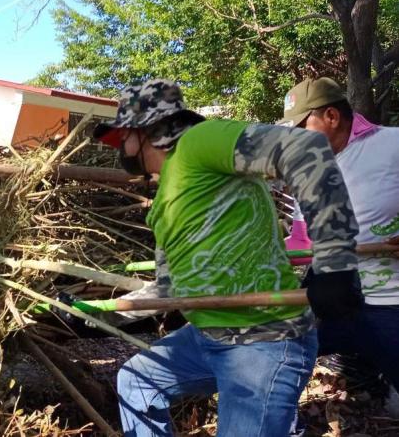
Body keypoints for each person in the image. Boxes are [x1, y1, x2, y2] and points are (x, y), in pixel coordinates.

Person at [93, 79, 362, 436]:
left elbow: (301, 148)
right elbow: (171, 287)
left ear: (142, 131)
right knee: (137, 381)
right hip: (208, 337)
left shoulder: (198, 143)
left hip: (263, 341)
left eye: (120, 137)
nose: (119, 148)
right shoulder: (164, 203)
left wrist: (335, 265)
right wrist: (100, 313)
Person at [278, 77, 399, 391]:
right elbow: (302, 241)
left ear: (331, 117)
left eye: (301, 128)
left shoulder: (391, 145)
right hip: (336, 296)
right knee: (287, 348)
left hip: (390, 300)